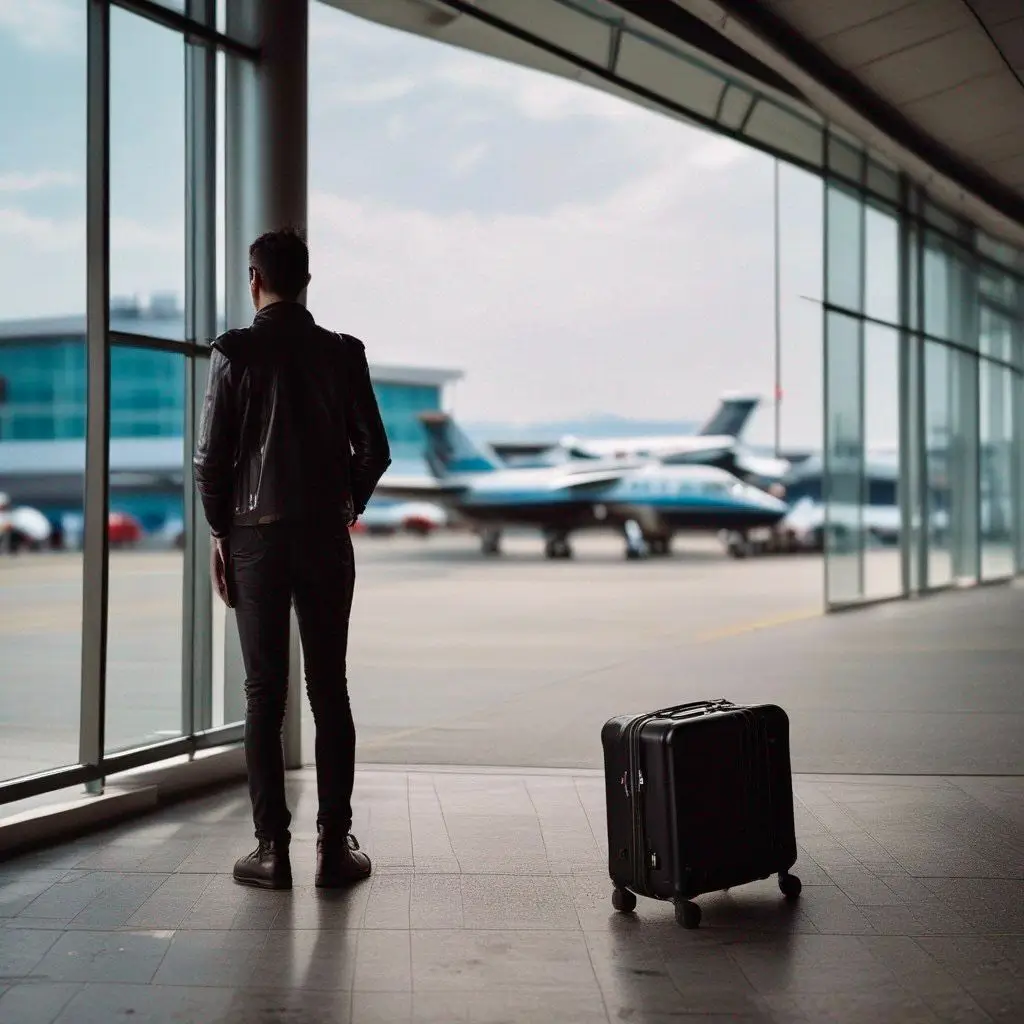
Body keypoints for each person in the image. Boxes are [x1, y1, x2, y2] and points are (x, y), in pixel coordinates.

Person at [194, 228, 391, 890]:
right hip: (323, 538)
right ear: (305, 281)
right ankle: (334, 850)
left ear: (256, 279)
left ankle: (270, 851)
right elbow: (375, 450)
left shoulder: (235, 350)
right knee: (328, 689)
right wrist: (344, 506)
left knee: (263, 693)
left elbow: (211, 458)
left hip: (254, 538)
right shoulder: (343, 353)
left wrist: (223, 532)